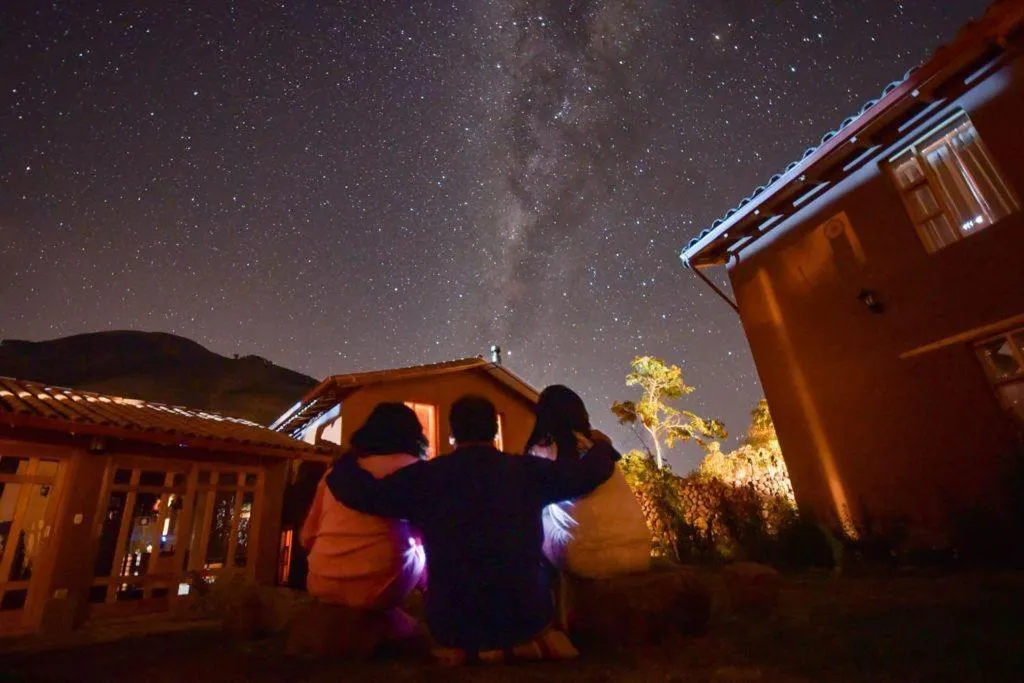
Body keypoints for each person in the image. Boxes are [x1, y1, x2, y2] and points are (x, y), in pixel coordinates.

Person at [326, 394, 618, 664]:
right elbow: (587, 474)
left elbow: (363, 493)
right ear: (494, 431)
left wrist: (346, 460)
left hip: (452, 625)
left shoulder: (426, 477)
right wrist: (603, 446)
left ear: (452, 433)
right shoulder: (526, 471)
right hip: (524, 618)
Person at [300, 403, 427, 640]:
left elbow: (307, 538)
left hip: (323, 583)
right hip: (382, 591)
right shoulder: (419, 473)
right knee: (418, 541)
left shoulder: (333, 475)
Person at [525, 385, 651, 579]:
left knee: (541, 514)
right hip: (640, 552)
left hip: (590, 558)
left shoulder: (542, 448)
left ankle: (551, 592)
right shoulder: (597, 444)